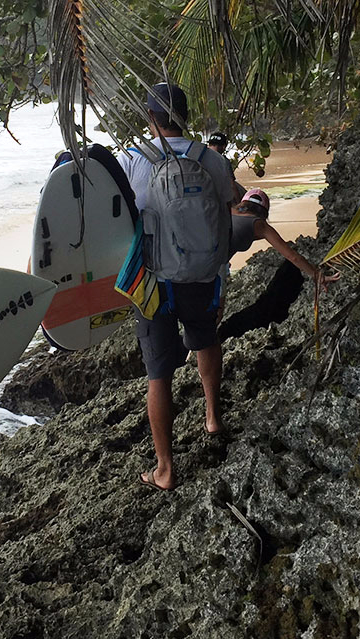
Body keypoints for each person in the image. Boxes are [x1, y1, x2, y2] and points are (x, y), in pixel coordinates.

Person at [119, 83, 234, 492]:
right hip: (203, 275)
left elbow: (113, 214)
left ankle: (165, 469)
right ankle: (213, 417)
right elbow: (225, 216)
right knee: (206, 340)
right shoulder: (212, 160)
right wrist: (221, 274)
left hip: (156, 283)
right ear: (186, 115)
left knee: (159, 374)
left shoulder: (133, 159)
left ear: (151, 117)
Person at [231, 188, 340, 287]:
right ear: (264, 212)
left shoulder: (228, 211)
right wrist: (317, 276)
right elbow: (292, 257)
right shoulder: (261, 226)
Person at [207, 131, 246, 202]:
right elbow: (232, 185)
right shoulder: (223, 161)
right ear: (224, 146)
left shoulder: (199, 157)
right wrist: (239, 203)